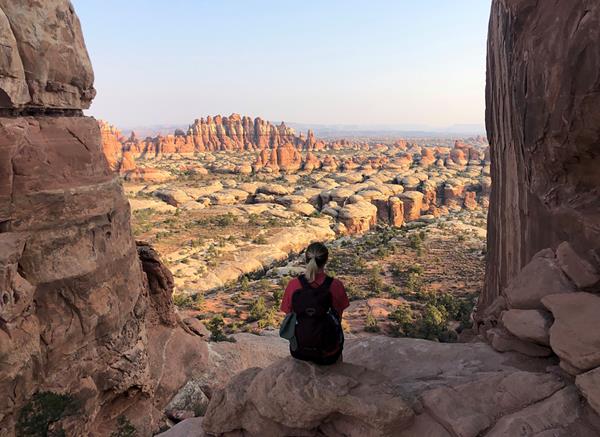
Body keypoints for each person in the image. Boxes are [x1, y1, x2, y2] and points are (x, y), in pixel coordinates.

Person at [280, 242, 349, 365]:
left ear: (306, 259)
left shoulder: (293, 285)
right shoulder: (336, 285)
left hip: (299, 352)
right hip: (329, 354)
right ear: (326, 260)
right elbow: (338, 316)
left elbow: (288, 314)